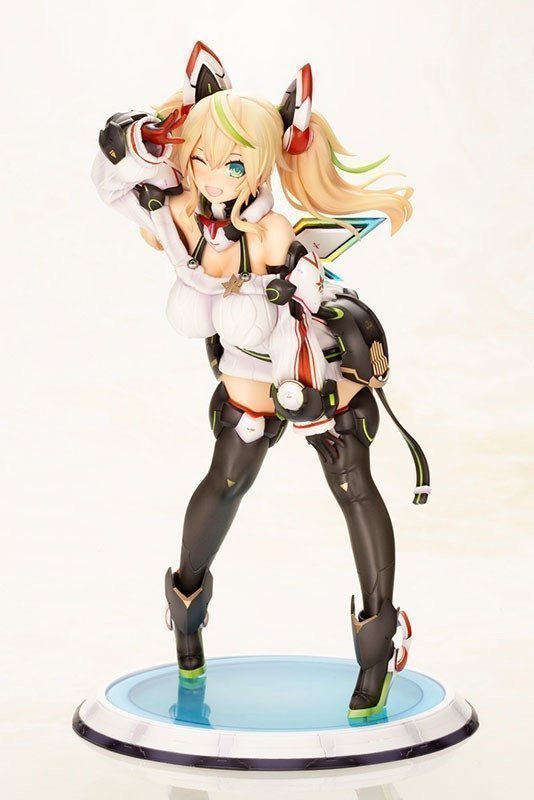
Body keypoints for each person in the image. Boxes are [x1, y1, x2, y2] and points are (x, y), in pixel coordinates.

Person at [92, 41, 425, 718]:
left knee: (351, 484)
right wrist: (137, 139)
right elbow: (112, 182)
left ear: (264, 164)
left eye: (234, 163)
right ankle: (185, 617)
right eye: (202, 159)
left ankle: (378, 645)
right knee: (226, 480)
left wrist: (291, 284)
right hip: (248, 375)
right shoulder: (176, 210)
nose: (214, 177)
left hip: (308, 368)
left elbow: (308, 291)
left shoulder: (272, 230)